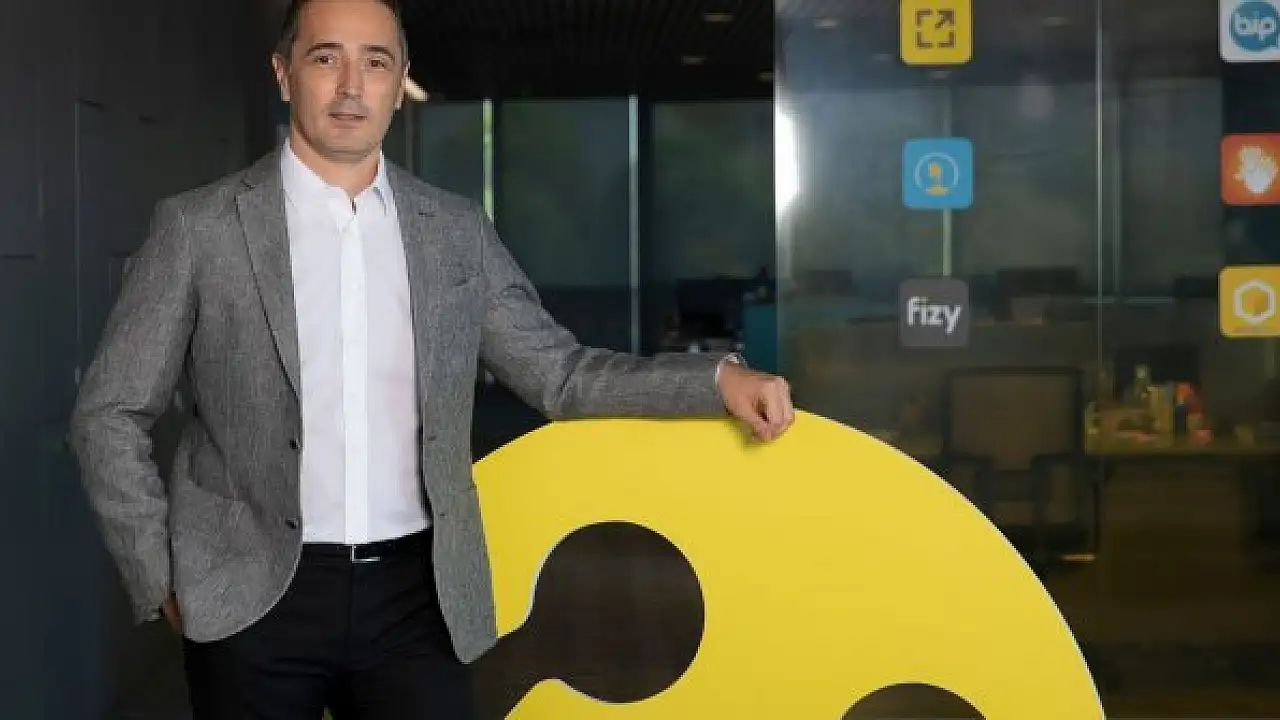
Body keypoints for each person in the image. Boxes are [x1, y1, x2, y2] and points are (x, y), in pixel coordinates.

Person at [68, 0, 795, 717]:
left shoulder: (454, 231)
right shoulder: (198, 228)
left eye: (375, 63)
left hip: (416, 600)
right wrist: (159, 575)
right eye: (326, 58)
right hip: (248, 598)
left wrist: (715, 380)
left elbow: (561, 374)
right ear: (284, 74)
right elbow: (109, 413)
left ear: (399, 82)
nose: (351, 86)